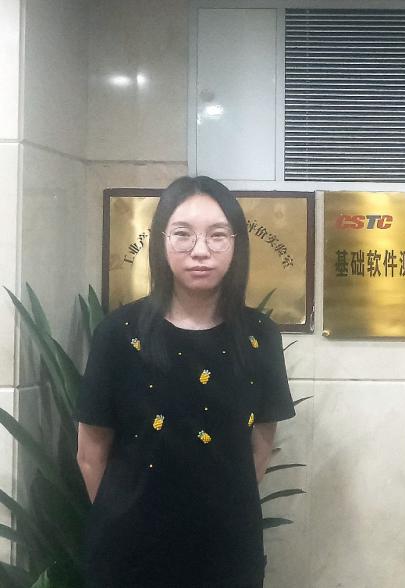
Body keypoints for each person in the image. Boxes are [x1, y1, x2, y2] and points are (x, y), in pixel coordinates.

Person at [76, 176, 296, 588]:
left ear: (236, 243)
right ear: (161, 240)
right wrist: (123, 520)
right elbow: (90, 452)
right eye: (183, 234)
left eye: (217, 235)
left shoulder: (260, 335)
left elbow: (261, 441)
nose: (200, 250)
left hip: (227, 549)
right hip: (130, 553)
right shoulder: (118, 333)